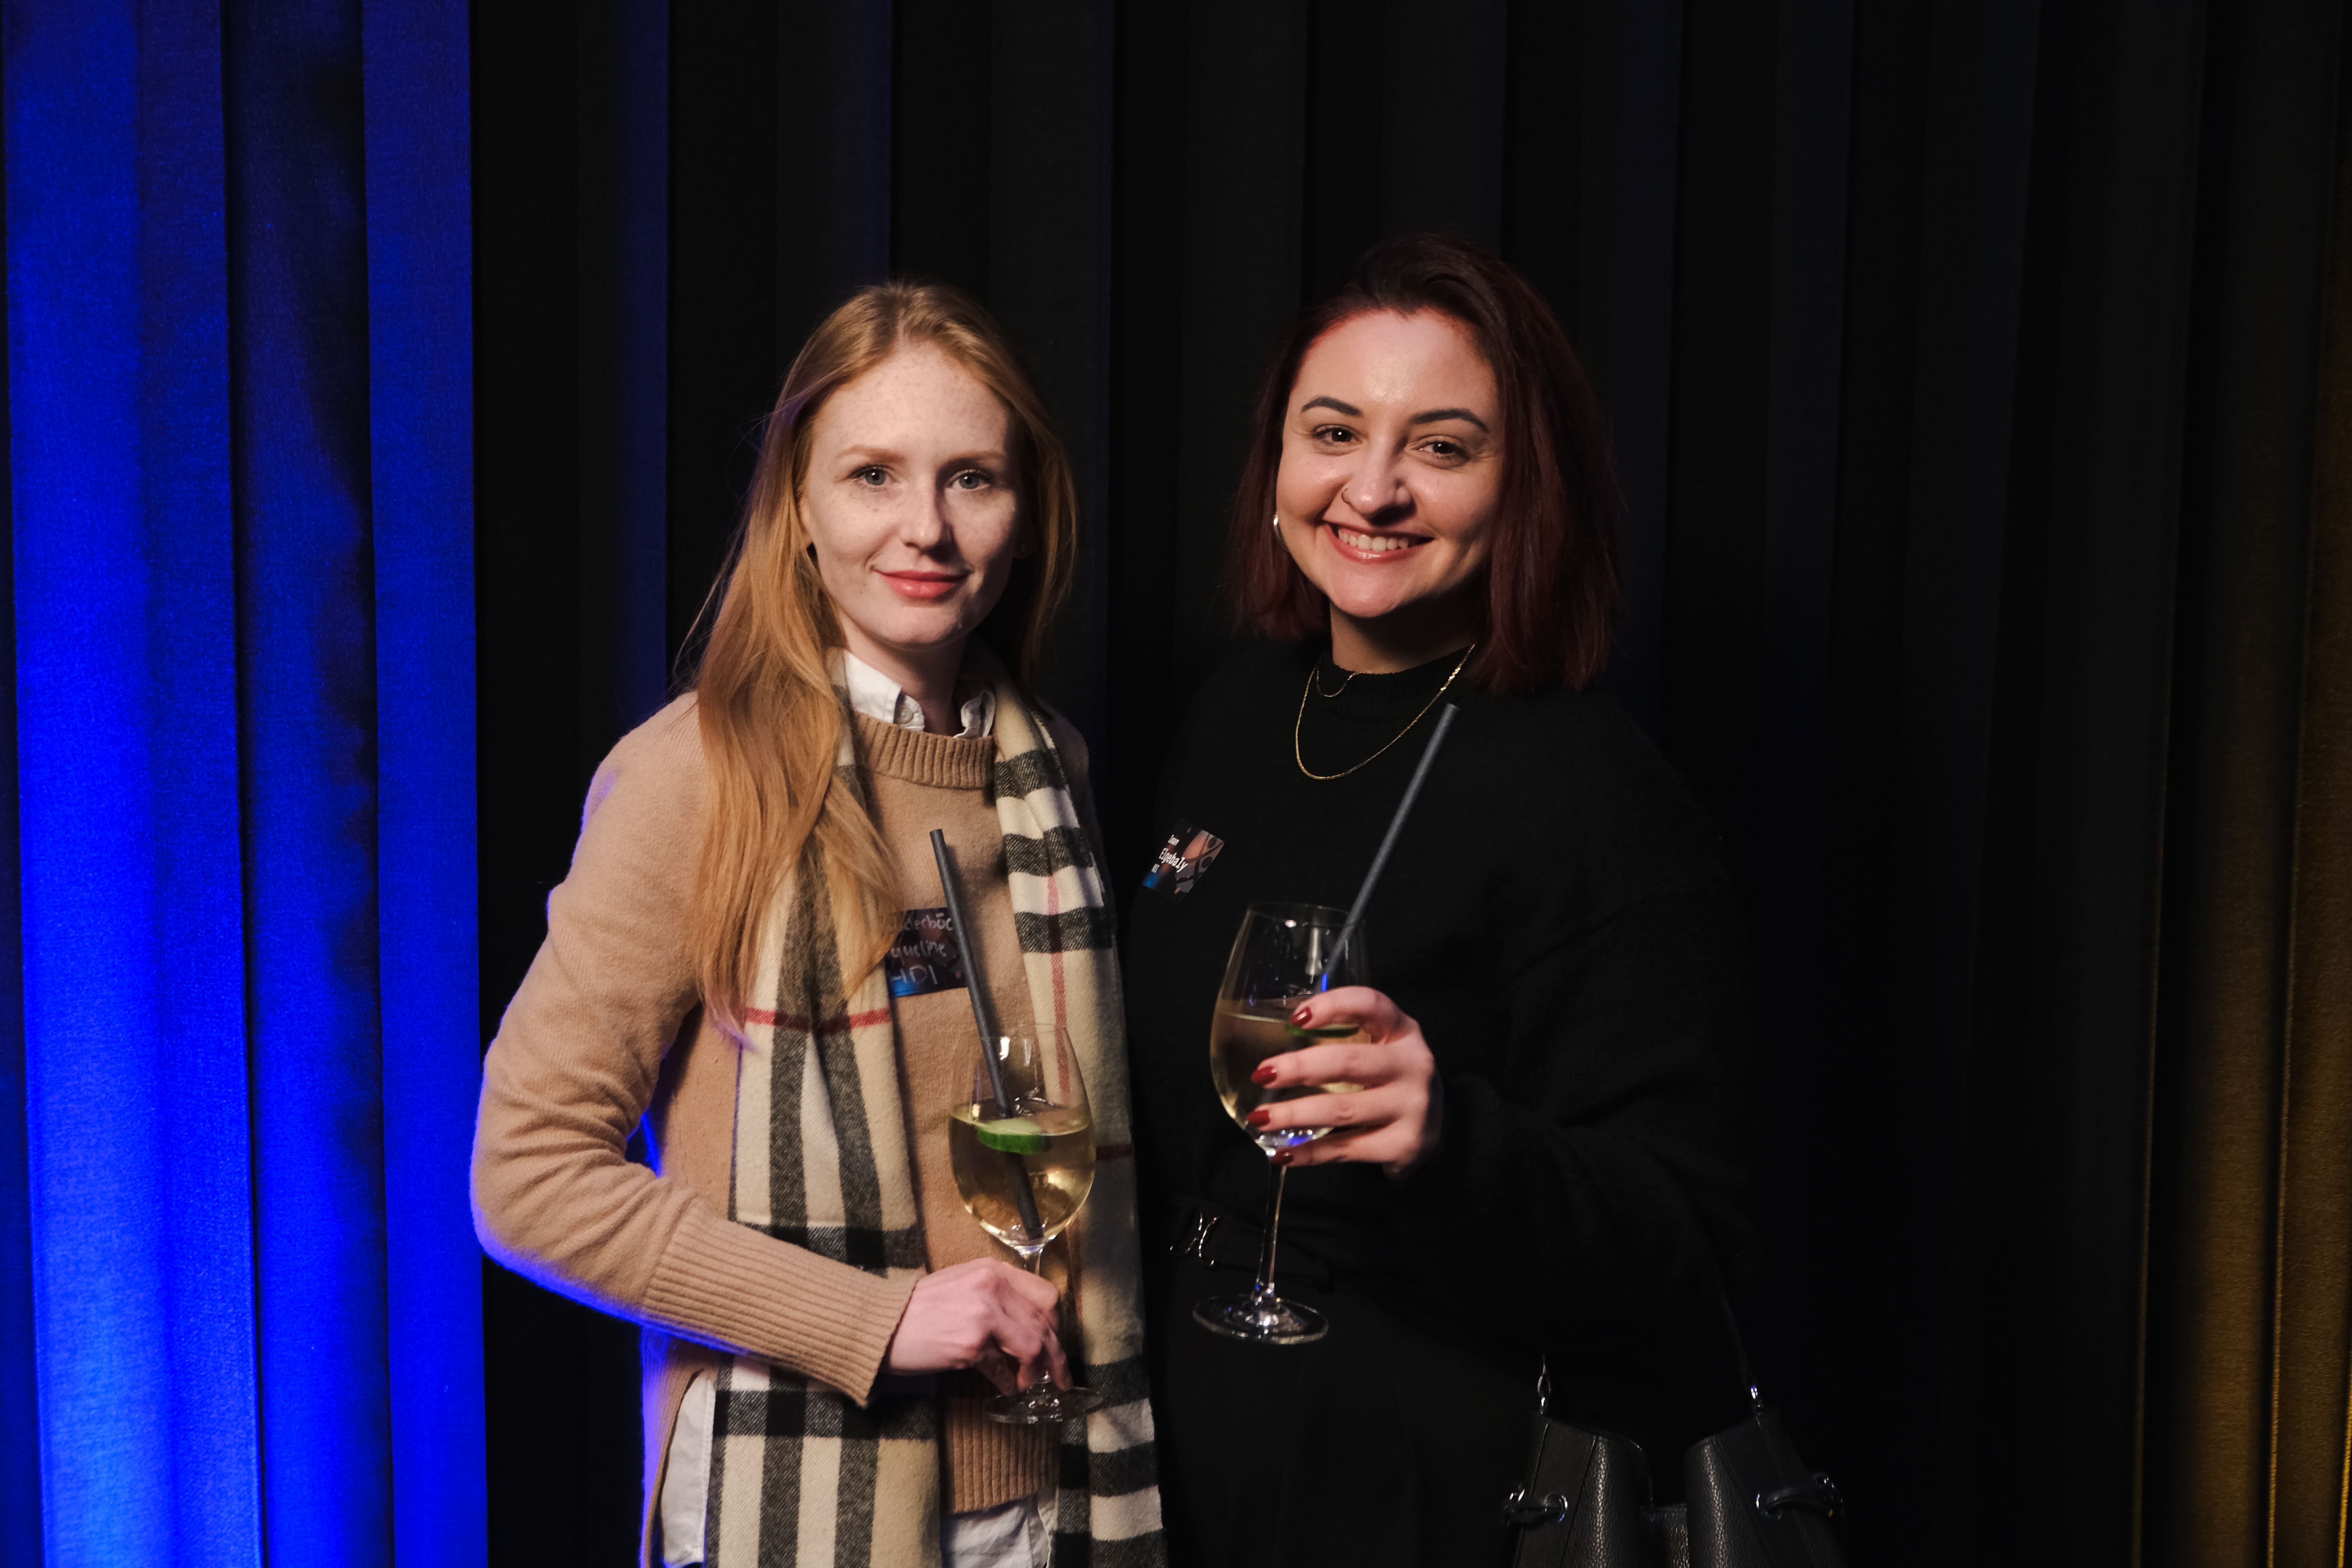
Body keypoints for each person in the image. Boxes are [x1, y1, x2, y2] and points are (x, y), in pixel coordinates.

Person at [473, 282, 1163, 1568]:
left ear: (1027, 513)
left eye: (972, 479)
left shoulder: (1049, 769)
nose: (926, 527)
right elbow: (526, 1177)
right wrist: (876, 1320)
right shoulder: (695, 776)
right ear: (798, 506)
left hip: (1051, 1488)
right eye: (872, 476)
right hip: (793, 1493)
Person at [1121, 234, 1755, 1566]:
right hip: (1178, 1445)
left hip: (1412, 1477)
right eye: (1333, 432)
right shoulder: (1236, 712)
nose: (1373, 489)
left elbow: (1684, 1245)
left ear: (1525, 486)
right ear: (1278, 462)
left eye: (1444, 448)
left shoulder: (1592, 786)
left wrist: (1448, 1138)